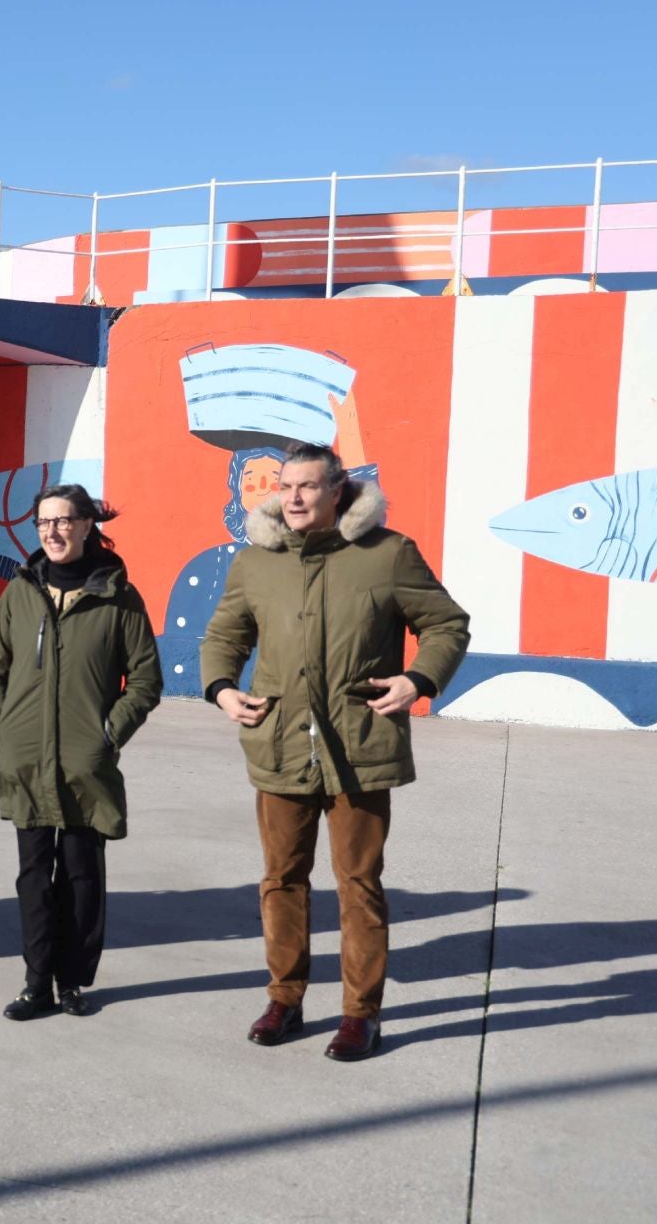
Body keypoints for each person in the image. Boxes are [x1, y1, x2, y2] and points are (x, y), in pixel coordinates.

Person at [201, 442, 469, 1061]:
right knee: (282, 880)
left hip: (360, 745)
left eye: (307, 486)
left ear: (337, 489)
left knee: (358, 883)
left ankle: (359, 1014)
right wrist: (221, 689)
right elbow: (225, 634)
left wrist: (418, 680)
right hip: (280, 743)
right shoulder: (256, 561)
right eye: (286, 487)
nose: (293, 498)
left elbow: (447, 625)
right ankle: (285, 999)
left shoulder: (387, 553)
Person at [0, 484, 162, 1021]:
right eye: (43, 523)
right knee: (33, 878)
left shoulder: (118, 597)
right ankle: (36, 984)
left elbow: (145, 677)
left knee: (82, 877)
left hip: (85, 763)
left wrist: (110, 732)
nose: (52, 533)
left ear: (87, 526)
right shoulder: (20, 592)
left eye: (63, 521)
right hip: (27, 761)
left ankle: (74, 982)